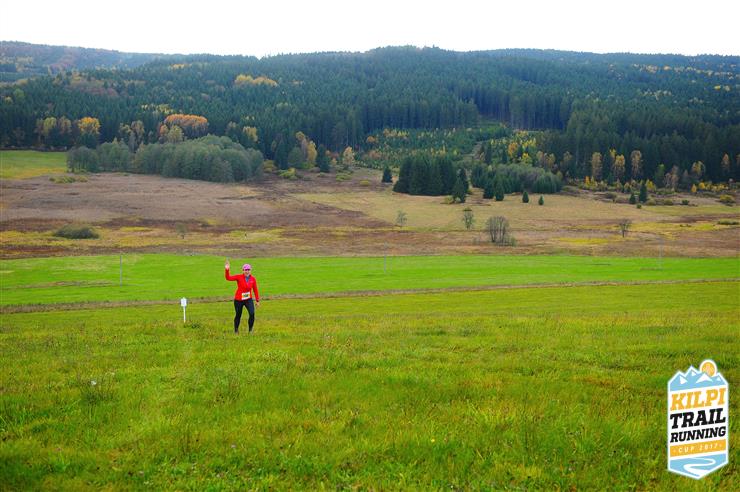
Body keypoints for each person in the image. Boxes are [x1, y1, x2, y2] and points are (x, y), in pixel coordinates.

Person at [225, 260, 260, 334]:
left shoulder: (253, 279)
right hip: (238, 300)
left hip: (248, 299)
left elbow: (255, 290)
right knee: (238, 315)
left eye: (248, 270)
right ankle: (236, 330)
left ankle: (250, 330)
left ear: (250, 270)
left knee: (252, 313)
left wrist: (257, 300)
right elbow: (228, 278)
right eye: (245, 270)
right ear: (243, 270)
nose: (247, 271)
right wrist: (227, 269)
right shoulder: (239, 277)